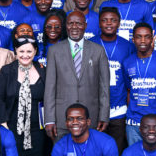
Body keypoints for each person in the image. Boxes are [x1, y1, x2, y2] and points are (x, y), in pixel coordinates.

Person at [43, 11, 110, 141]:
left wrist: (104, 116)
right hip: (61, 119)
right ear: (65, 26)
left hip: (90, 118)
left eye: (78, 23)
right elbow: (50, 88)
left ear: (85, 25)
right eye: (70, 23)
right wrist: (49, 119)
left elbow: (104, 88)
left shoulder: (98, 51)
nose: (74, 27)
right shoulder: (54, 51)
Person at [0, 36, 47, 156]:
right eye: (21, 51)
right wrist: (3, 123)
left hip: (36, 127)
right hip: (13, 127)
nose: (25, 55)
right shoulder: (7, 71)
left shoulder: (42, 70)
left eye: (29, 51)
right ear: (15, 52)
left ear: (36, 52)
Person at [123, 23, 156, 146]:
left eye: (147, 37)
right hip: (134, 123)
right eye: (138, 37)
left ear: (152, 39)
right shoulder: (127, 62)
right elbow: (129, 91)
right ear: (133, 39)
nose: (143, 40)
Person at [96, 7, 136, 153]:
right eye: (104, 20)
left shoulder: (128, 46)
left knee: (117, 151)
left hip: (118, 109)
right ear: (99, 23)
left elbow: (131, 82)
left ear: (119, 23)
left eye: (113, 20)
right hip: (96, 109)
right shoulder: (90, 44)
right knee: (97, 152)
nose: (109, 23)